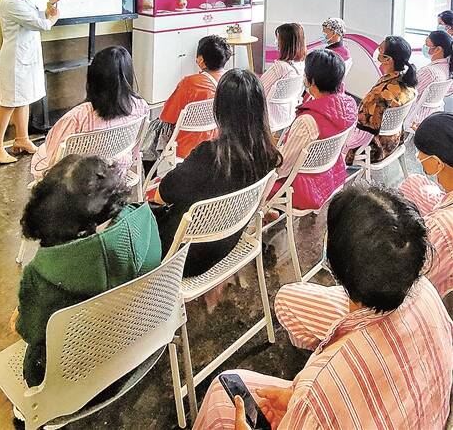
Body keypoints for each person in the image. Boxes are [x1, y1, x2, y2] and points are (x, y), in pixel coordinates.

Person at [194, 185, 453, 430]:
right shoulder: (427, 294)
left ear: (336, 261)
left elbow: (321, 396)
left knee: (222, 393)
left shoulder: (321, 384)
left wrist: (306, 405)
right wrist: (299, 401)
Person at [12, 154, 161, 386]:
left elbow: (29, 331)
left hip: (68, 380)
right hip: (138, 351)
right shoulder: (144, 221)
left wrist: (21, 315)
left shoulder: (40, 275)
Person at [152, 69, 282, 277]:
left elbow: (162, 195)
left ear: (220, 108)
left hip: (181, 256)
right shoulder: (268, 155)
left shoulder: (210, 155)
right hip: (227, 242)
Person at [0, 0, 66, 165]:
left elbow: (37, 16)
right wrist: (53, 18)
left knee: (24, 99)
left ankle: (22, 139)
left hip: (26, 58)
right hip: (15, 61)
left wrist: (50, 4)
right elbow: (40, 24)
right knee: (9, 103)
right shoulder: (11, 2)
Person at [31, 46, 148, 178]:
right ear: (128, 75)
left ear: (93, 79)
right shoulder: (141, 106)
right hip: (116, 174)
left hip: (79, 181)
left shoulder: (77, 117)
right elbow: (135, 150)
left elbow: (54, 161)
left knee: (42, 152)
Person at [272, 50, 357, 210]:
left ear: (312, 81)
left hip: (301, 189)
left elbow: (282, 167)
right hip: (331, 177)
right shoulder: (349, 106)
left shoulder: (308, 121)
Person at [143, 35, 232, 163]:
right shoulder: (230, 81)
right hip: (216, 143)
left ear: (201, 60)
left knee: (153, 129)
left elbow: (167, 117)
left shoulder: (190, 84)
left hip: (185, 147)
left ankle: (149, 170)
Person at [399, 112, 453, 299]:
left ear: (437, 163)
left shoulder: (438, 228)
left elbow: (409, 278)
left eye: (420, 154)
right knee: (413, 183)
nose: (418, 156)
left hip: (436, 291)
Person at [345, 35, 417, 165]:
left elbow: (363, 134)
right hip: (394, 141)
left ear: (387, 59)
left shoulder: (379, 94)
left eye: (380, 49)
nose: (377, 51)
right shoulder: (407, 83)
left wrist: (344, 145)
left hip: (376, 149)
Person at [405, 29, 453, 130]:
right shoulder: (447, 69)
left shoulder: (429, 72)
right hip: (431, 115)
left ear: (438, 49)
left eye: (427, 46)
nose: (425, 48)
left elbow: (409, 94)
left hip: (416, 118)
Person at [260, 23, 306, 128]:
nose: (276, 42)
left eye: (278, 39)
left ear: (285, 43)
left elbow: (259, 89)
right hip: (288, 114)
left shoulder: (280, 67)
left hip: (268, 116)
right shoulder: (302, 65)